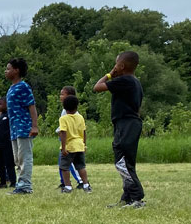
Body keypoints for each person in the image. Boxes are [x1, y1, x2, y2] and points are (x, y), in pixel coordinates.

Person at [94, 51, 145, 208]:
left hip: (126, 124)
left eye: (116, 63)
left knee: (122, 161)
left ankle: (136, 198)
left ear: (121, 66)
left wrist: (109, 74)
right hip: (130, 123)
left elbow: (97, 87)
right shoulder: (135, 82)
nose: (114, 66)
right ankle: (127, 197)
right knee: (126, 162)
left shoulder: (125, 80)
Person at [5, 58, 39, 195]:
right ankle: (20, 184)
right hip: (14, 128)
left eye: (8, 69)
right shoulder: (12, 88)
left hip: (23, 127)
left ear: (16, 70)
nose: (6, 71)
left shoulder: (23, 86)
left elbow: (32, 106)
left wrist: (34, 126)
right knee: (17, 158)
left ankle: (26, 185)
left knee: (25, 157)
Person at [57, 95, 92, 194]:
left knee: (64, 167)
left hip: (69, 146)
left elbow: (63, 133)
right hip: (79, 145)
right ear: (77, 107)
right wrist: (84, 145)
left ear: (64, 107)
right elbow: (84, 132)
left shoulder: (63, 118)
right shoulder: (80, 117)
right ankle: (86, 185)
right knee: (81, 166)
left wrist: (63, 148)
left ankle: (67, 186)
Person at [56, 86, 84, 189]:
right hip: (66, 140)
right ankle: (64, 181)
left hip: (69, 142)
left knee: (69, 163)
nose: (60, 96)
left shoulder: (69, 112)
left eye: (63, 94)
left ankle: (81, 181)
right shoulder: (65, 110)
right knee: (61, 163)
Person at [0, 97, 16, 188]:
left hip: (7, 144)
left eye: (0, 104)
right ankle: (2, 182)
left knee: (9, 164)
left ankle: (13, 182)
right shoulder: (0, 117)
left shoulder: (10, 116)